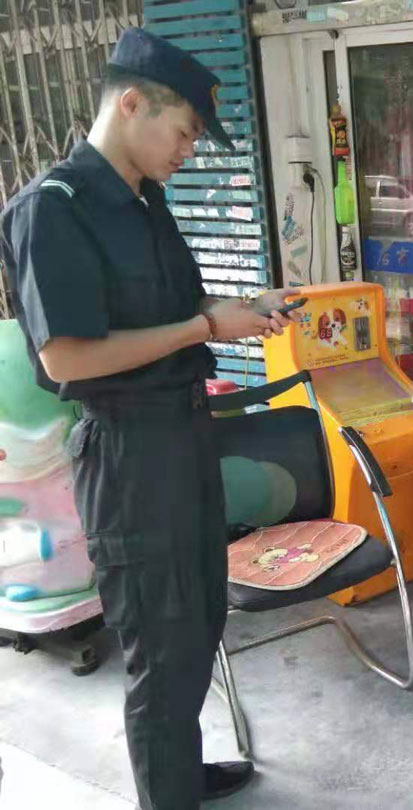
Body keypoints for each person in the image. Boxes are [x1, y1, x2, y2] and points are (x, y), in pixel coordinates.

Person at [0, 29, 301, 809]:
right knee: (159, 645)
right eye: (186, 133)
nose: (189, 153)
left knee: (197, 622)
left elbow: (180, 305)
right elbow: (66, 358)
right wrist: (205, 328)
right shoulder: (52, 211)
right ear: (131, 104)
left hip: (184, 436)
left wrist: (240, 309)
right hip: (130, 455)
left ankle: (178, 774)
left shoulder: (147, 202)